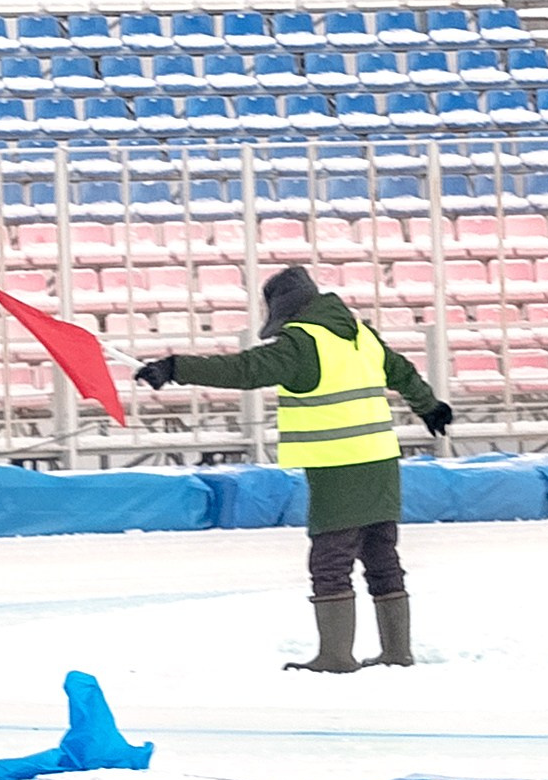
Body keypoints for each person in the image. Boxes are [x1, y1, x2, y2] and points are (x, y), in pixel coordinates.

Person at [132, 267, 453, 673]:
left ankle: (335, 656)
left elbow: (244, 370)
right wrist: (429, 407)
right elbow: (402, 371)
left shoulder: (303, 343)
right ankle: (396, 652)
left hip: (340, 466)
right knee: (381, 554)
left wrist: (176, 367)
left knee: (330, 561)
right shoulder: (361, 335)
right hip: (381, 461)